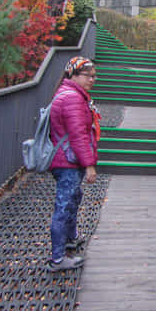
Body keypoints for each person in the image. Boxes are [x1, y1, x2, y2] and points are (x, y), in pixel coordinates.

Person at [46, 56, 100, 272]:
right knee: (64, 205)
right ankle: (58, 259)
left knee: (72, 199)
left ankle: (69, 240)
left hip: (65, 159)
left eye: (95, 76)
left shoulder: (68, 94)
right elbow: (78, 135)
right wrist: (89, 165)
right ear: (73, 75)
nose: (92, 80)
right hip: (68, 161)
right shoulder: (72, 99)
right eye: (88, 76)